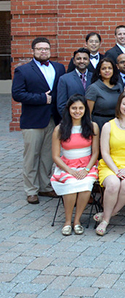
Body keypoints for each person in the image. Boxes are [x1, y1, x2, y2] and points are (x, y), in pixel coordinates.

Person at [12, 37, 66, 204]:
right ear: (33, 51)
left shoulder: (59, 68)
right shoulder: (23, 71)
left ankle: (45, 186)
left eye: (46, 49)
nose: (43, 51)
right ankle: (31, 190)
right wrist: (42, 98)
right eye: (40, 49)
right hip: (33, 120)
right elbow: (17, 94)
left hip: (53, 120)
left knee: (48, 156)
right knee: (31, 156)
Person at [95, 91, 125, 236]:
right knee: (113, 185)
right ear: (119, 105)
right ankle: (106, 220)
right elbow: (104, 152)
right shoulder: (108, 126)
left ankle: (107, 216)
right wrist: (116, 170)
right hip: (111, 165)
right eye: (124, 104)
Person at [50, 94, 99, 235]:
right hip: (66, 166)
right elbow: (55, 156)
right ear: (68, 109)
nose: (77, 111)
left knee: (86, 185)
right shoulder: (59, 129)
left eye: (80, 108)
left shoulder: (92, 127)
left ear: (85, 110)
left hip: (87, 166)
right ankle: (67, 221)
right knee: (71, 184)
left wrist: (86, 169)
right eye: (74, 108)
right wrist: (70, 171)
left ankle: (77, 221)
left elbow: (95, 152)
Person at [85, 57, 123, 131]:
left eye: (110, 68)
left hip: (116, 124)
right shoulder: (93, 88)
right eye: (103, 68)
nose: (107, 71)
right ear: (99, 71)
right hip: (99, 124)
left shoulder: (119, 86)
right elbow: (87, 113)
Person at [57, 48, 93, 114]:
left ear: (89, 61)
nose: (82, 61)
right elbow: (61, 105)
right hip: (72, 120)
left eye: (85, 59)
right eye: (78, 59)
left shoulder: (95, 78)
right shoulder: (64, 79)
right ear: (73, 61)